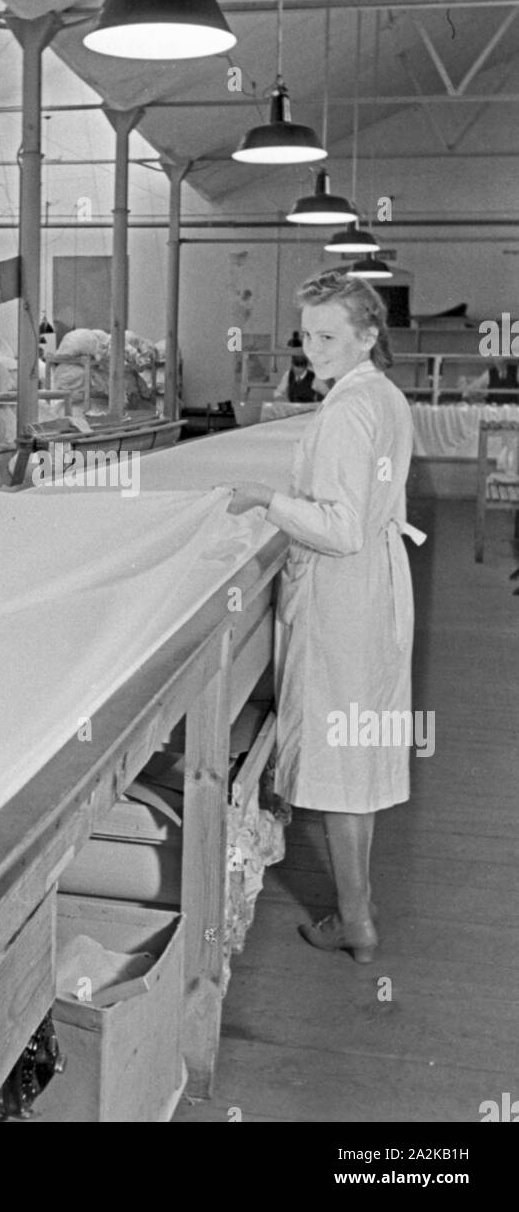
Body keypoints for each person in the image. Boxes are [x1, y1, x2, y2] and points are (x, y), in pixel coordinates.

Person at [227, 269, 424, 964]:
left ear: (367, 333)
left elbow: (338, 529)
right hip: (374, 586)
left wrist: (262, 498)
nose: (312, 349)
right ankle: (357, 914)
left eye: (328, 335)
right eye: (306, 335)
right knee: (358, 763)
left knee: (341, 767)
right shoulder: (380, 395)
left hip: (344, 591)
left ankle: (355, 919)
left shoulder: (346, 408)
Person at [274, 331, 329, 402]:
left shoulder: (314, 377)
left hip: (309, 410)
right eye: (294, 368)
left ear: (305, 367)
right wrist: (279, 397)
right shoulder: (289, 374)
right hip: (292, 409)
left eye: (300, 369)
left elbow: (328, 394)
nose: (296, 371)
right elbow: (278, 391)